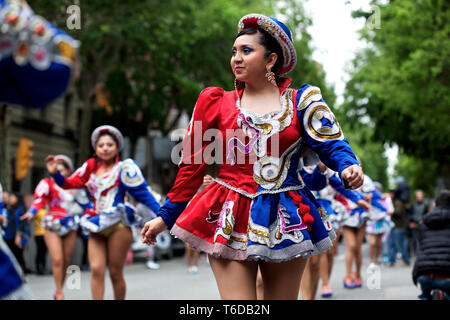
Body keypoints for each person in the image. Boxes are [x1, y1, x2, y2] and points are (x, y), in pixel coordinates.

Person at [141, 14, 364, 300]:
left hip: (286, 216)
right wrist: (165, 217)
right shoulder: (215, 102)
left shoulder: (301, 102)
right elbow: (191, 167)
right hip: (229, 212)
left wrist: (348, 166)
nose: (236, 58)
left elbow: (333, 143)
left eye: (247, 51)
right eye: (234, 51)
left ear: (271, 60)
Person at [46, 125, 161, 300]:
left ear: (117, 148)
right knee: (97, 270)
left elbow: (143, 194)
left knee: (115, 273)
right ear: (95, 148)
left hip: (118, 224)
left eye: (109, 144)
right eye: (101, 145)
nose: (105, 148)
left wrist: (165, 215)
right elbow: (69, 184)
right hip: (96, 223)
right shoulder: (89, 168)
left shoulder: (125, 168)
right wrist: (55, 174)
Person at [21, 155, 91, 300]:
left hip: (70, 224)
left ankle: (59, 288)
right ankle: (59, 292)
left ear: (68, 171)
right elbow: (39, 200)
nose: (58, 172)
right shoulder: (47, 183)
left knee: (66, 260)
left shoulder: (75, 187)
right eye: (55, 170)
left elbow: (87, 205)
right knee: (57, 259)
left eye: (61, 170)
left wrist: (102, 212)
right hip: (52, 224)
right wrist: (32, 212)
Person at [301, 163, 370, 299]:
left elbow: (338, 184)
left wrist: (358, 199)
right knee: (311, 260)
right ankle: (313, 291)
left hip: (327, 211)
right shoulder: (297, 156)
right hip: (302, 208)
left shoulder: (325, 158)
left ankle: (317, 290)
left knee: (328, 253)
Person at [412, 190, 450, 300]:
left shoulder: (423, 222)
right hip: (447, 275)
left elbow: (422, 244)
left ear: (435, 204)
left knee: (425, 293)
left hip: (424, 273)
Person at [364, 178, 394, 269]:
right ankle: (372, 261)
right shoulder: (368, 198)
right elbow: (366, 209)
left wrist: (381, 215)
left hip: (381, 223)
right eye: (375, 188)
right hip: (371, 223)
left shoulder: (385, 199)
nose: (376, 190)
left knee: (378, 243)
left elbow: (390, 210)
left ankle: (376, 260)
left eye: (378, 189)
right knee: (372, 243)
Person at [2, 192, 29, 274]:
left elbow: (23, 224)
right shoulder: (9, 209)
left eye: (13, 197)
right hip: (8, 236)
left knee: (19, 255)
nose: (11, 199)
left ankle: (21, 273)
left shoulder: (21, 209)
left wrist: (19, 235)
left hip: (18, 236)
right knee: (11, 255)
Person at [388, 184, 410, 267]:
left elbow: (398, 212)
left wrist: (390, 212)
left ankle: (406, 261)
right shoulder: (393, 202)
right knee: (392, 244)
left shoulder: (398, 202)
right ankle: (392, 261)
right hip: (394, 226)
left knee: (401, 245)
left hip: (399, 227)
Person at [408, 190, 430, 258]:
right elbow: (410, 215)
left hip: (423, 224)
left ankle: (422, 253)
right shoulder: (413, 205)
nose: (420, 198)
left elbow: (427, 214)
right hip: (414, 224)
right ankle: (415, 254)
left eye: (421, 197)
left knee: (423, 239)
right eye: (418, 197)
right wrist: (412, 222)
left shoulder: (425, 205)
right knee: (414, 240)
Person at [33, 208, 48, 275]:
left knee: (40, 252)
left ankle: (39, 268)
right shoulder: (46, 212)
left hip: (38, 234)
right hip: (43, 234)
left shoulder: (36, 211)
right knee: (43, 252)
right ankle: (42, 268)